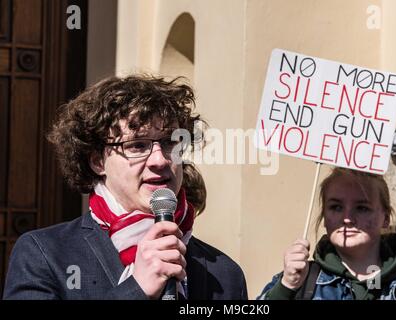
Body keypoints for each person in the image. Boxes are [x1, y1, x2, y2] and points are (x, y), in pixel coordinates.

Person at [3, 74, 248, 300]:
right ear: (98, 161)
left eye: (169, 143)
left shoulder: (225, 274)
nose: (160, 160)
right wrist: (137, 289)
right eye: (138, 146)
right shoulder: (45, 254)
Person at [258, 167, 396, 300]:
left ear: (385, 218)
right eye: (336, 207)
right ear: (324, 216)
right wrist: (286, 288)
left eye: (362, 208)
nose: (347, 218)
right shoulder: (300, 281)